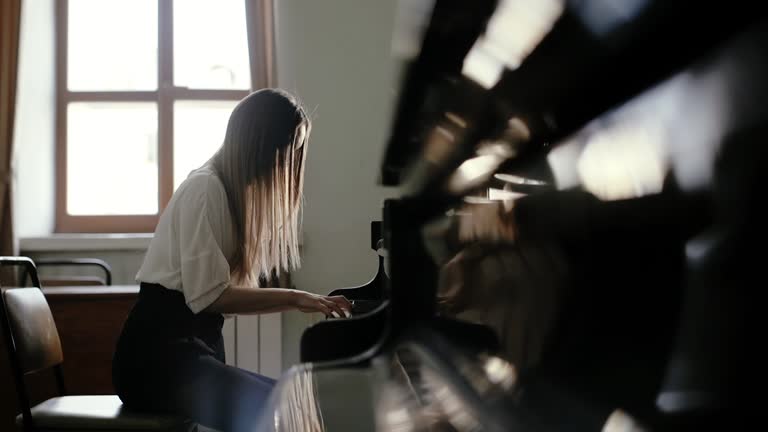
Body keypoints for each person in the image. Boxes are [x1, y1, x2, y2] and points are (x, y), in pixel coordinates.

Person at [112, 89, 351, 432]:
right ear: (262, 145)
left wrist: (302, 300)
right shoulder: (205, 189)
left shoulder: (226, 193)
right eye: (286, 151)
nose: (287, 163)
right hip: (155, 362)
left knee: (294, 402)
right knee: (280, 410)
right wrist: (299, 298)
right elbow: (209, 296)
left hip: (190, 354)